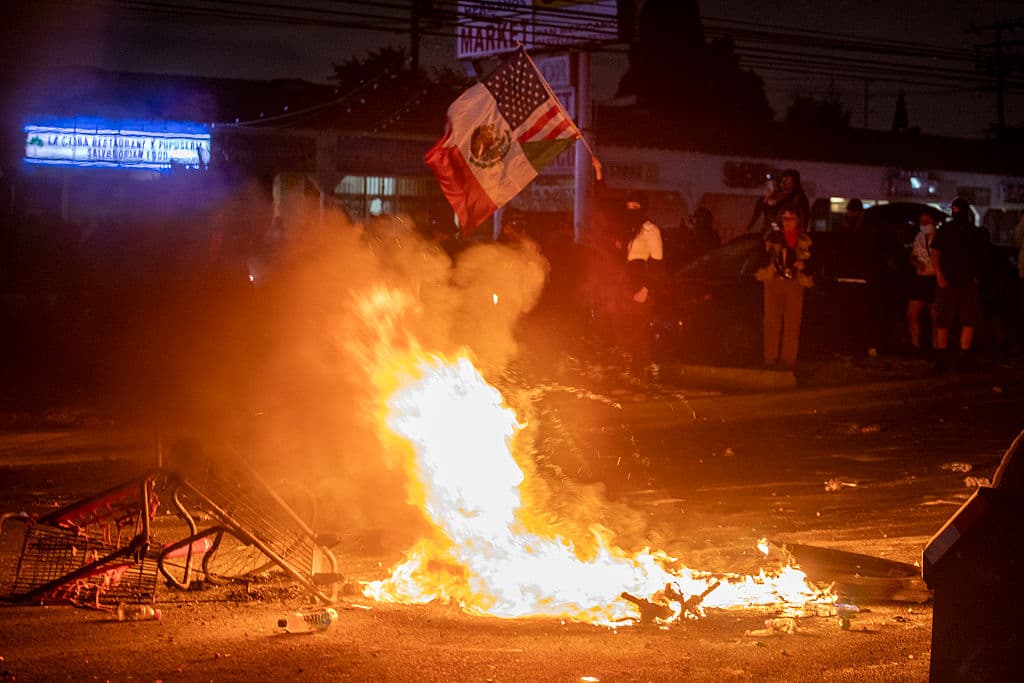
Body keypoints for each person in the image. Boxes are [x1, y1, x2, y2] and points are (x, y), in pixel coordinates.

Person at [930, 196, 990, 372]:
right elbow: (935, 253)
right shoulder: (950, 230)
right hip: (951, 282)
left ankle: (959, 357)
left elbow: (980, 257)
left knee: (964, 320)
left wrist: (940, 275)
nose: (956, 213)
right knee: (947, 320)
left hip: (963, 282)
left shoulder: (968, 231)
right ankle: (945, 357)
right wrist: (940, 275)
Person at [757, 205, 813, 371]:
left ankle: (788, 360)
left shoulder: (803, 240)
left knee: (792, 323)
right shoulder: (774, 237)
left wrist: (803, 265)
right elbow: (762, 256)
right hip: (774, 281)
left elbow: (812, 261)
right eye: (785, 219)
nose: (787, 223)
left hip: (795, 283)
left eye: (791, 219)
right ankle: (770, 359)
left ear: (798, 221)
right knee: (771, 321)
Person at [622, 191, 663, 382]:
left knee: (640, 332)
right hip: (627, 286)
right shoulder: (630, 230)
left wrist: (646, 289)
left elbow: (657, 263)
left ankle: (643, 376)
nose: (631, 210)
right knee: (628, 331)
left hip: (642, 287)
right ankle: (631, 374)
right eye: (628, 206)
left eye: (635, 207)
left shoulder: (650, 230)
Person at [906, 212, 939, 354]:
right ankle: (915, 345)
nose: (924, 224)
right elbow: (912, 257)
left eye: (927, 221)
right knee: (912, 313)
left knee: (935, 316)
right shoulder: (918, 237)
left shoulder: (940, 237)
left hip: (934, 279)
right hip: (921, 279)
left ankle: (936, 347)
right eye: (922, 222)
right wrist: (916, 263)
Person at [745, 169, 810, 233]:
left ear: (794, 182)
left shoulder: (799, 198)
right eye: (783, 179)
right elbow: (758, 213)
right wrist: (749, 227)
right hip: (768, 232)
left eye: (787, 179)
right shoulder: (772, 195)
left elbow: (804, 217)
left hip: (786, 234)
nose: (783, 182)